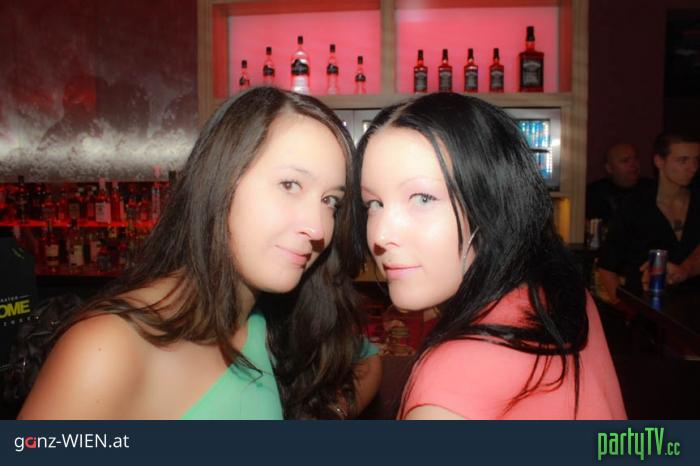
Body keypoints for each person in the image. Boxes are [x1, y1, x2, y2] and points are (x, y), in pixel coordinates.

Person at [18, 87, 381, 420]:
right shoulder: (107, 350)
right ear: (220, 181)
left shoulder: (274, 315)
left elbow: (368, 360)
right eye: (290, 185)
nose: (318, 229)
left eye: (330, 201)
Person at [353, 93, 625, 419]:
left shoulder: (452, 381)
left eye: (423, 198)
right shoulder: (560, 295)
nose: (380, 235)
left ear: (493, 203)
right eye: (374, 204)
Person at [598, 132, 700, 303]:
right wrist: (624, 310)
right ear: (659, 161)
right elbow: (607, 267)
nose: (693, 167)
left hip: (693, 309)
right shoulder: (635, 205)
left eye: (696, 160)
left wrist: (685, 270)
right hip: (645, 310)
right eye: (683, 160)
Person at [586, 143, 654, 225]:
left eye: (635, 159)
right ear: (609, 168)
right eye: (625, 161)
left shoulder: (651, 188)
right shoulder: (595, 193)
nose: (633, 164)